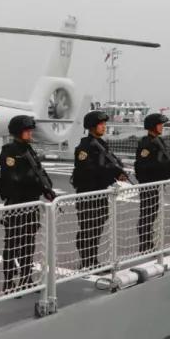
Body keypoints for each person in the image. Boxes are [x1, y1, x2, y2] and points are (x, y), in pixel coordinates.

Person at [0, 114, 55, 291]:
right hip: (16, 204)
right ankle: (8, 281)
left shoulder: (29, 150)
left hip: (31, 203)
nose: (30, 133)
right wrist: (34, 180)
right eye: (27, 131)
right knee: (12, 243)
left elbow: (40, 172)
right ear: (18, 132)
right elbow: (13, 177)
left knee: (28, 243)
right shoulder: (9, 151)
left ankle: (26, 277)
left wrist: (47, 188)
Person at [71, 111, 128, 269]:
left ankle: (93, 260)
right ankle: (86, 261)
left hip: (101, 193)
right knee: (87, 229)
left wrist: (118, 173)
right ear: (91, 126)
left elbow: (110, 163)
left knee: (97, 228)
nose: (104, 127)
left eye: (104, 124)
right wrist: (110, 173)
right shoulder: (84, 148)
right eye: (101, 124)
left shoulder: (102, 145)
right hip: (88, 194)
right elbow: (89, 171)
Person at [134, 113, 170, 252]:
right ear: (152, 126)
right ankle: (145, 245)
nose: (162, 127)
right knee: (146, 214)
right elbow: (143, 166)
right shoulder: (146, 144)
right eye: (159, 124)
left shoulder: (159, 141)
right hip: (148, 184)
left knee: (152, 213)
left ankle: (149, 243)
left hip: (157, 184)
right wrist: (164, 167)